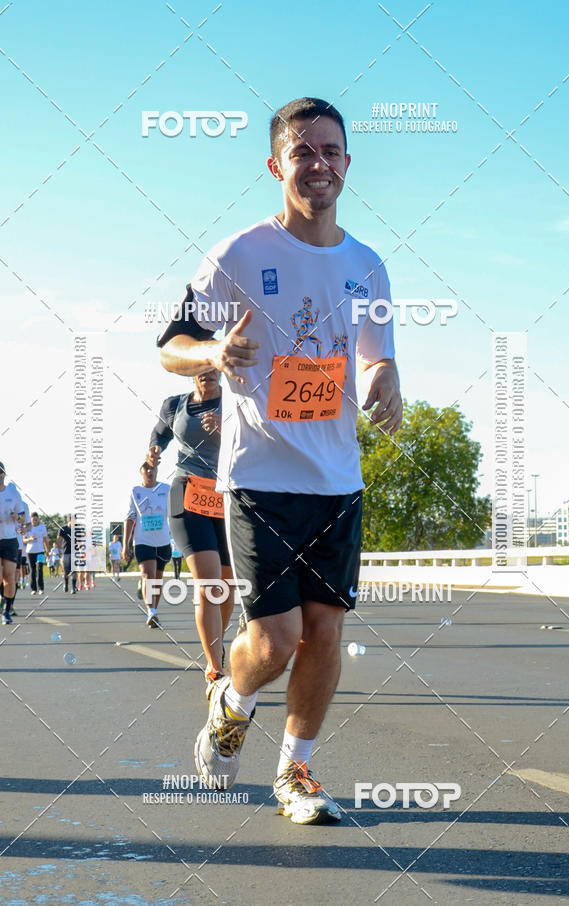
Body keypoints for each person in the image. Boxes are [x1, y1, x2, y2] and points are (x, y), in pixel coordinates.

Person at [158, 98, 402, 824]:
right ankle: (232, 704)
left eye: (331, 151)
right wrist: (212, 352)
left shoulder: (369, 266)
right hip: (260, 477)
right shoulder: (237, 256)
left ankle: (295, 771)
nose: (318, 164)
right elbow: (171, 344)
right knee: (275, 641)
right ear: (276, 165)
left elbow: (376, 356)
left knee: (325, 634)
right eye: (303, 152)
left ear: (348, 164)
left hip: (338, 480)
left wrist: (385, 377)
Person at [145, 368, 233, 690]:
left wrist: (227, 430)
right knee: (209, 583)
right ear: (192, 372)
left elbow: (261, 442)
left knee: (227, 586)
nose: (206, 374)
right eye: (200, 369)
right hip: (187, 492)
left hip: (226, 498)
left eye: (212, 369)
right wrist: (154, 449)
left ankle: (217, 645)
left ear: (222, 371)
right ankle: (214, 670)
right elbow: (159, 433)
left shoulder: (236, 404)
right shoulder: (175, 405)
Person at [123, 462, 170, 628]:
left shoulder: (167, 489)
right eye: (146, 469)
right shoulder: (136, 491)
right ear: (141, 472)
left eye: (153, 469)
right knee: (148, 575)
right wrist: (125, 545)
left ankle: (154, 609)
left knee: (157, 579)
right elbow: (130, 518)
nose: (150, 472)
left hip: (163, 541)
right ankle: (151, 611)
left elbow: (175, 514)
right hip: (143, 541)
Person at [0, 462, 26, 625]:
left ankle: (6, 611)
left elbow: (23, 519)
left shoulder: (13, 493)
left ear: (4, 474)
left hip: (10, 540)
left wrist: (17, 517)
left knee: (10, 577)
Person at [23, 512, 49, 596]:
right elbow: (24, 540)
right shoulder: (27, 527)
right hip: (30, 552)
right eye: (33, 520)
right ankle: (33, 589)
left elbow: (45, 539)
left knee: (40, 569)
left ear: (38, 519)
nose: (35, 521)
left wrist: (47, 550)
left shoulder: (42, 527)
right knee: (32, 570)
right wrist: (30, 539)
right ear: (31, 520)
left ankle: (41, 588)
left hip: (40, 551)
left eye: (36, 519)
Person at [58, 515, 77, 594]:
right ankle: (66, 583)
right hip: (65, 552)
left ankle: (73, 587)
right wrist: (59, 550)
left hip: (75, 553)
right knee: (66, 571)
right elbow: (59, 540)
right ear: (68, 521)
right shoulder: (63, 529)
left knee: (74, 571)